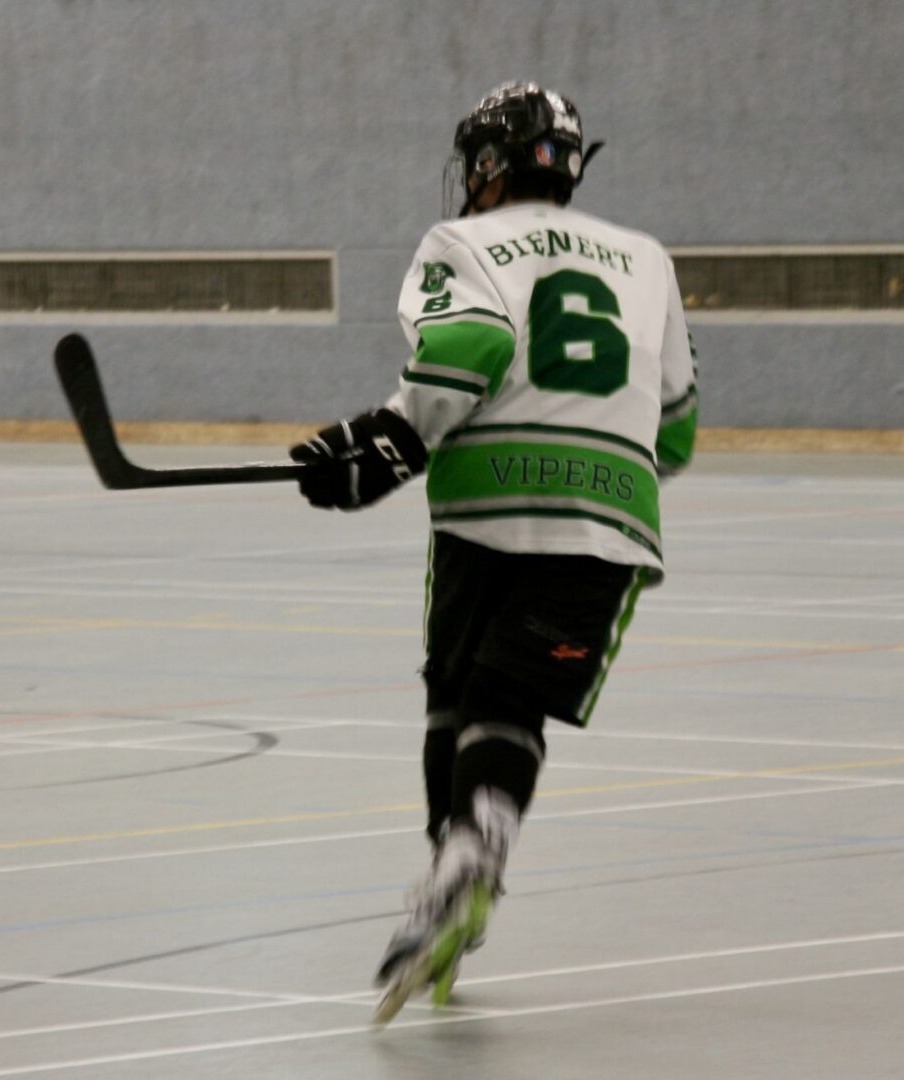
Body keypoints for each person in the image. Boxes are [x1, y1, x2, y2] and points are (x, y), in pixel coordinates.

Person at [289, 81, 698, 1024]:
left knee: (455, 691)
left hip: (484, 508)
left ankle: (458, 859)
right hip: (607, 513)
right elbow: (675, 432)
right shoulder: (649, 260)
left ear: (485, 165)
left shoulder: (462, 243)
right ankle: (473, 856)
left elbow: (467, 346)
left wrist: (386, 441)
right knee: (507, 698)